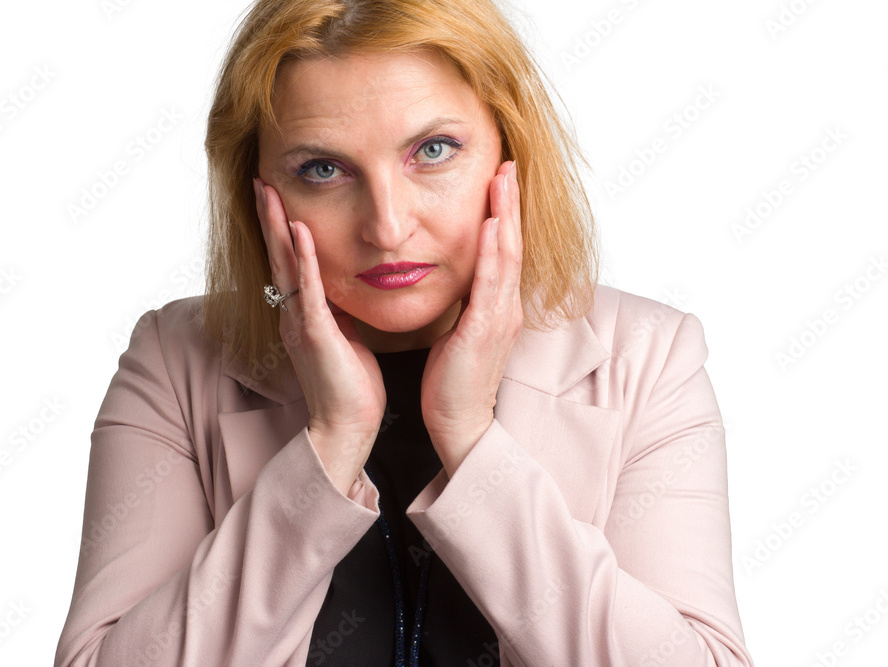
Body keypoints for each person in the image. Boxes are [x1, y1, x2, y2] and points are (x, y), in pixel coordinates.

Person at [54, 0, 754, 665]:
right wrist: (331, 444)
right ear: (258, 191)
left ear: (509, 153)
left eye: (434, 150)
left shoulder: (648, 357)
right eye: (323, 170)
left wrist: (470, 438)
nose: (387, 227)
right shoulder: (175, 360)